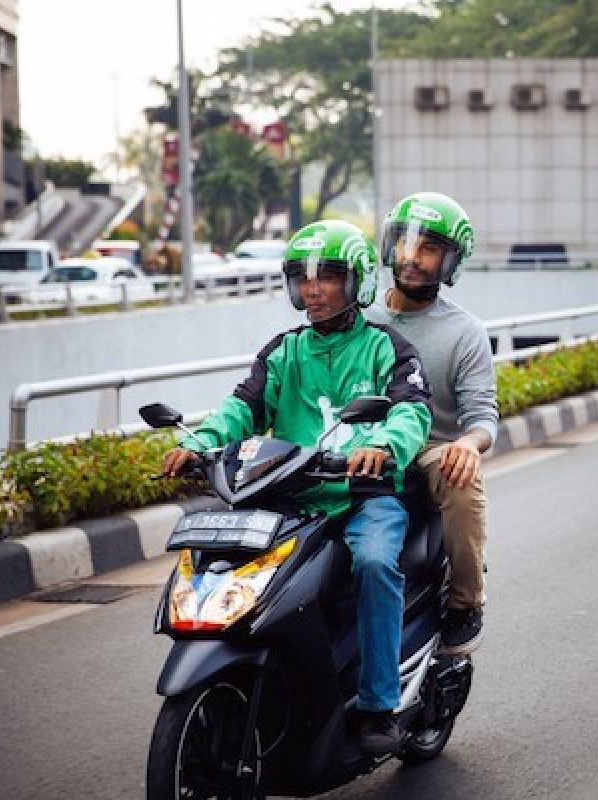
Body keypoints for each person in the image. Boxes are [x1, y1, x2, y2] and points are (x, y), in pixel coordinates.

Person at [161, 220, 431, 757]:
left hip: (364, 498)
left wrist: (382, 448)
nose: (313, 289)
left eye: (328, 276)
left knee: (376, 563)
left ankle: (379, 705)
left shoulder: (386, 348)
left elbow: (411, 412)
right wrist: (200, 442)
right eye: (302, 278)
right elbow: (242, 409)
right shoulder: (283, 352)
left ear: (357, 282)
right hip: (290, 499)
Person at [366, 192, 497, 656]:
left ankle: (466, 600)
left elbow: (483, 417)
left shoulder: (465, 333)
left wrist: (468, 443)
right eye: (405, 244)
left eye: (427, 249)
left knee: (457, 471)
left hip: (428, 449)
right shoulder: (359, 317)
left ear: (449, 261)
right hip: (358, 445)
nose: (412, 258)